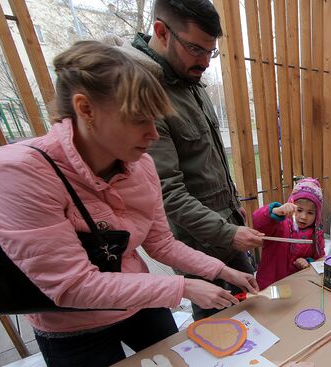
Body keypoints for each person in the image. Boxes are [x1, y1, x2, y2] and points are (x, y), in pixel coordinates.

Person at [0, 41, 258, 367]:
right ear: (86, 109)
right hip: (70, 325)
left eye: (155, 120)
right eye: (139, 119)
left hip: (139, 304)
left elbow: (161, 243)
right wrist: (184, 286)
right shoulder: (20, 173)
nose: (153, 134)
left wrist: (221, 270)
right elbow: (74, 286)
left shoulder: (141, 165)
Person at [109, 0, 264, 320]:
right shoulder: (144, 92)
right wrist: (225, 231)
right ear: (161, 32)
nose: (206, 62)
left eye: (211, 51)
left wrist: (231, 214)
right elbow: (167, 195)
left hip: (224, 231)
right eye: (196, 49)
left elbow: (207, 166)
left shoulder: (191, 80)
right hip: (198, 244)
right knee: (220, 329)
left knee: (251, 313)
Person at [253, 178, 325, 289]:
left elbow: (320, 260)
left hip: (297, 287)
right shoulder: (279, 225)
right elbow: (258, 222)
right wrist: (274, 211)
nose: (303, 217)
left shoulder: (317, 234)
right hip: (269, 285)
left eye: (310, 212)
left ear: (317, 215)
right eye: (299, 210)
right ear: (291, 205)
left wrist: (308, 262)